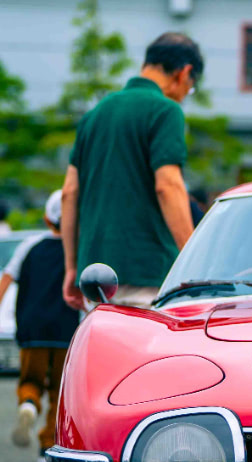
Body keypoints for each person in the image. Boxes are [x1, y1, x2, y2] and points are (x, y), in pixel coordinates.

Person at [60, 32, 204, 310]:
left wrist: (71, 268)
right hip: (150, 275)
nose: (186, 94)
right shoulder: (165, 111)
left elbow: (69, 193)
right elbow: (168, 186)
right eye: (191, 86)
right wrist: (192, 260)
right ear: (184, 73)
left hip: (96, 280)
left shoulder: (94, 115)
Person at [0, 191, 80, 462]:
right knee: (60, 392)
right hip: (66, 330)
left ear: (46, 219)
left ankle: (28, 403)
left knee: (30, 380)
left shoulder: (29, 247)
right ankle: (47, 445)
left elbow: (7, 279)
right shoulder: (77, 250)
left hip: (31, 330)